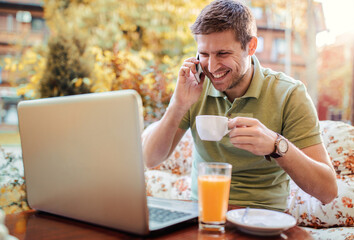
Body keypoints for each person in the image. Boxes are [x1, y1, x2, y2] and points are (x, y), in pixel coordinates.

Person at [142, 0, 337, 211]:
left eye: (223, 54)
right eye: (204, 54)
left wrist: (276, 145)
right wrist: (178, 105)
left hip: (263, 220)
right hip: (202, 215)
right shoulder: (193, 87)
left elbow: (328, 191)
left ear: (251, 46)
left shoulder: (289, 94)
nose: (212, 66)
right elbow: (150, 159)